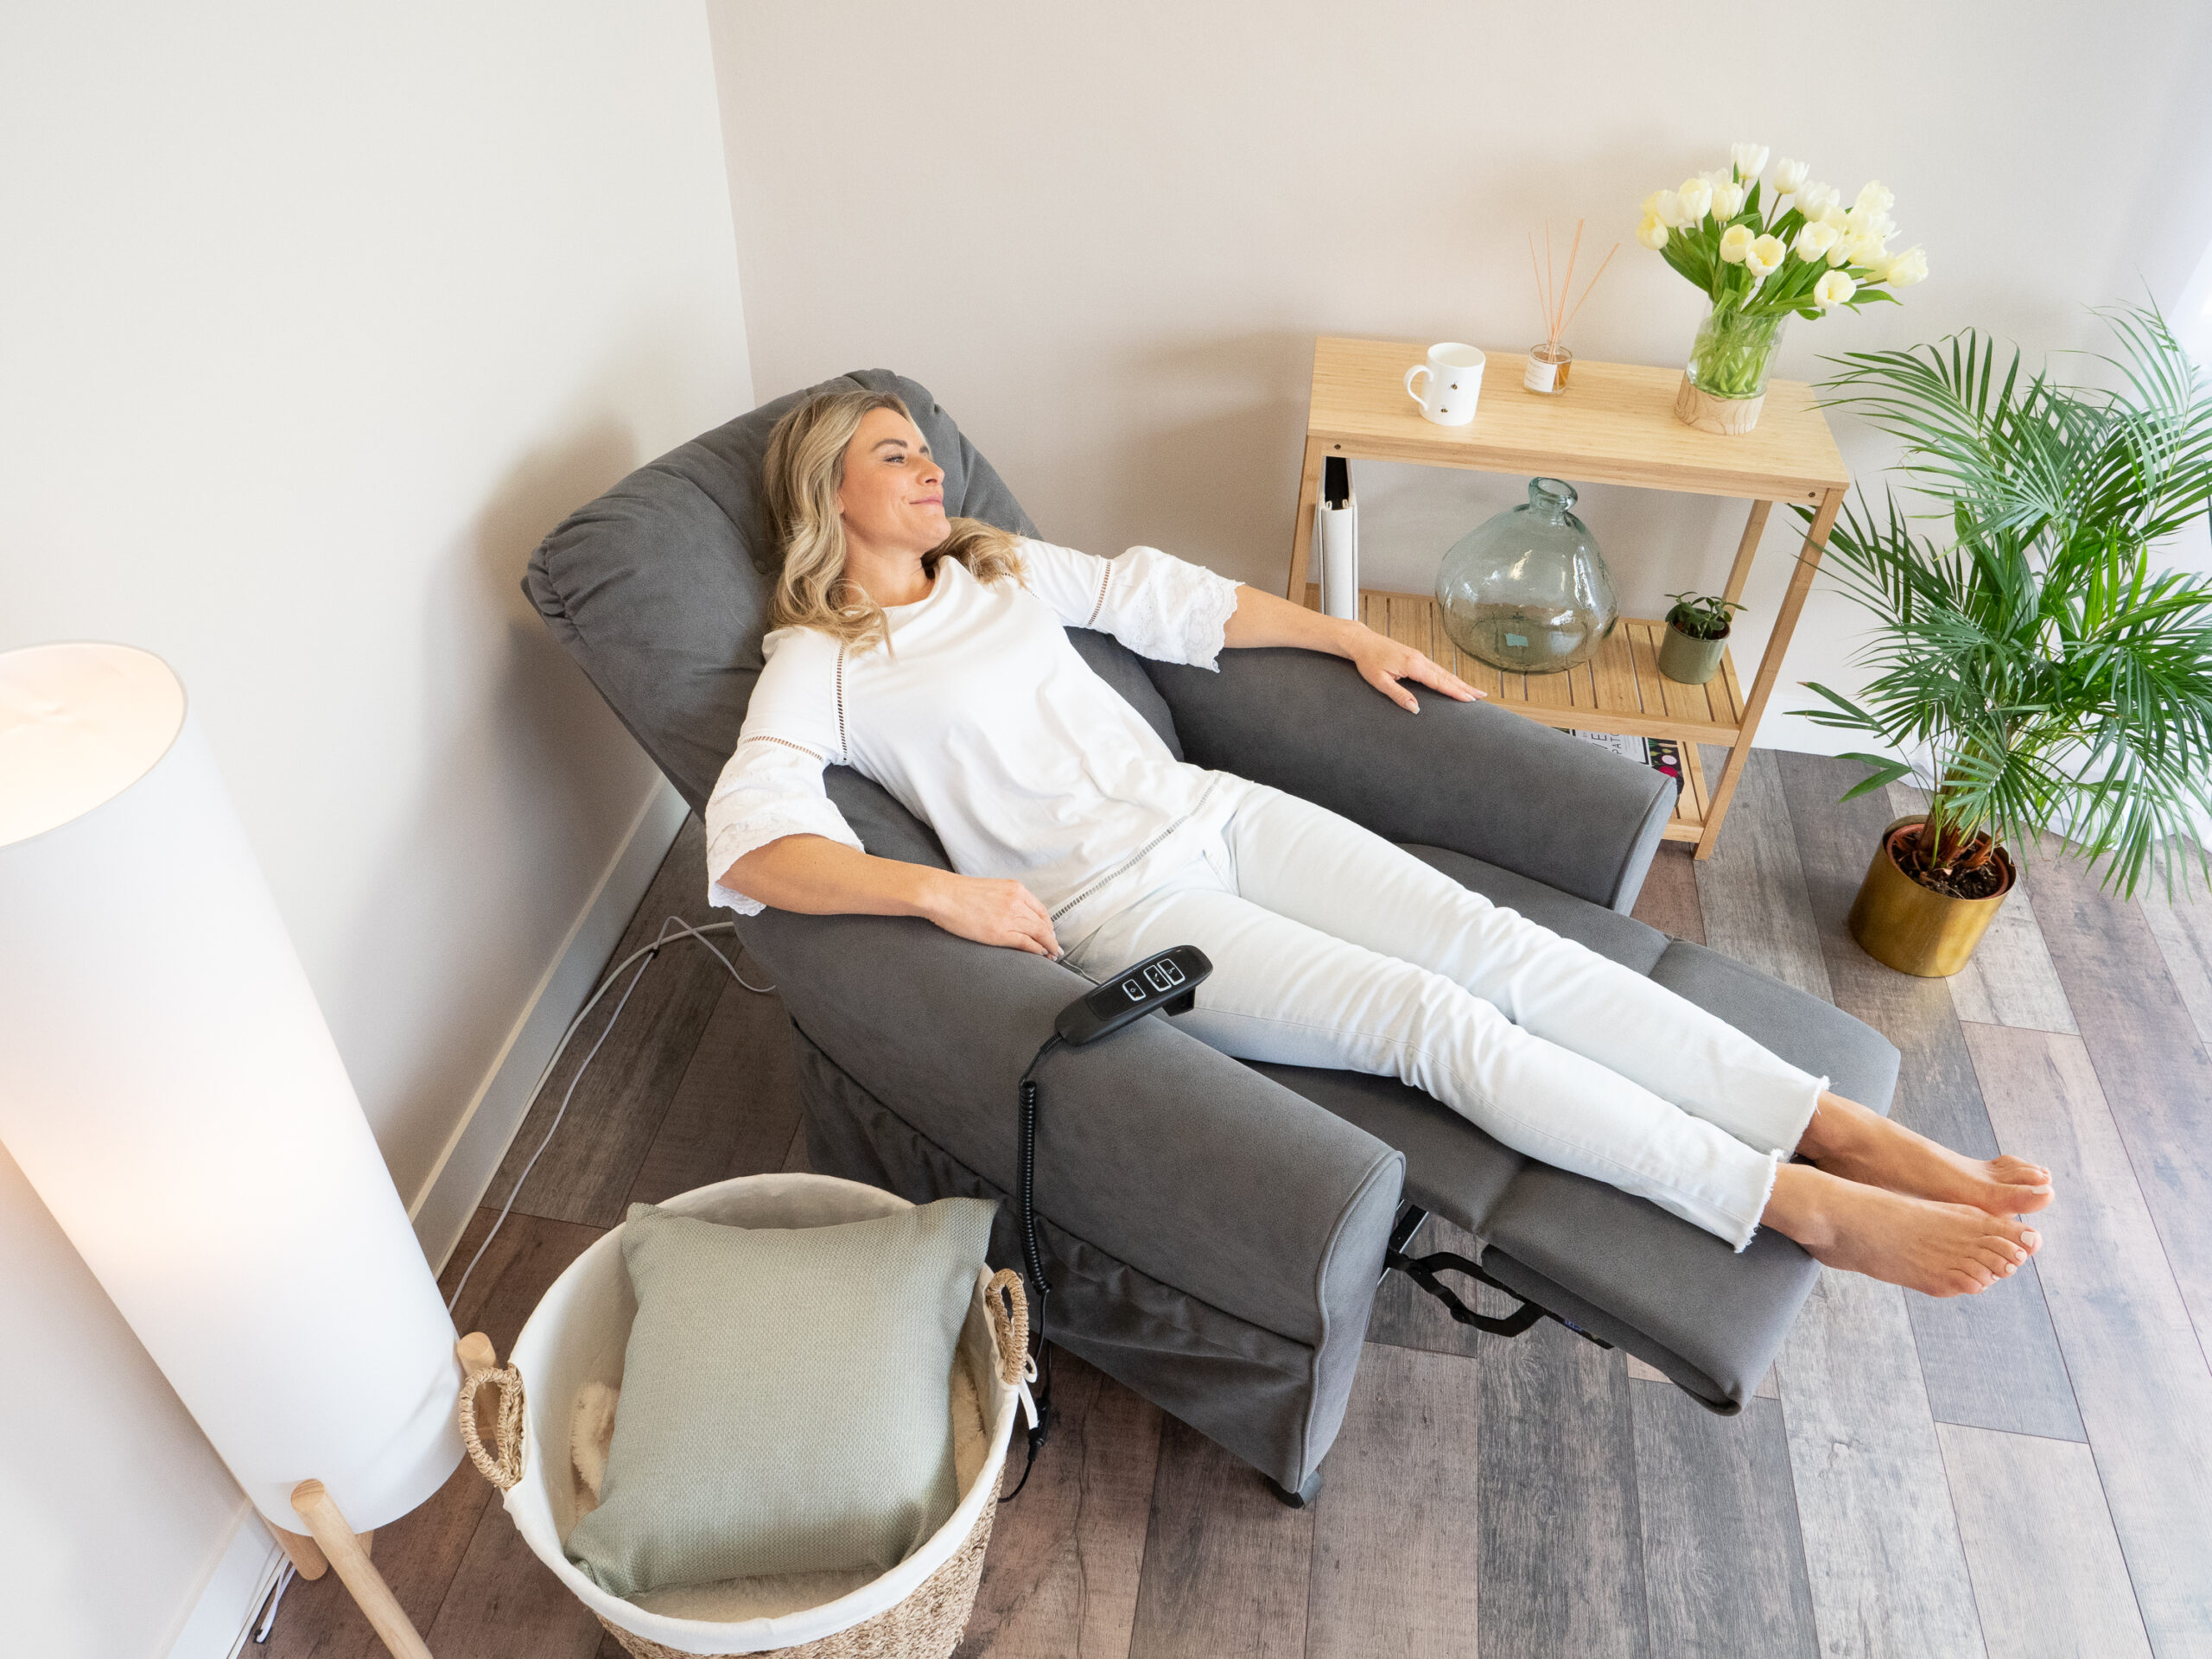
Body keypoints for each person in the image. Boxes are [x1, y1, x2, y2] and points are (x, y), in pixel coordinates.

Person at [705, 389, 2051, 1298]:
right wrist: (941, 895)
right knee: (1431, 1021)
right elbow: (754, 844)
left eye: (926, 448)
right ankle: (1786, 1200)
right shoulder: (823, 659)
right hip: (1126, 911)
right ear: (827, 494)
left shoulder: (998, 566)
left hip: (1219, 812)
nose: (931, 467)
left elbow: (1164, 599)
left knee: (1502, 949)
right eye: (895, 454)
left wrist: (1349, 636)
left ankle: (1831, 1125)